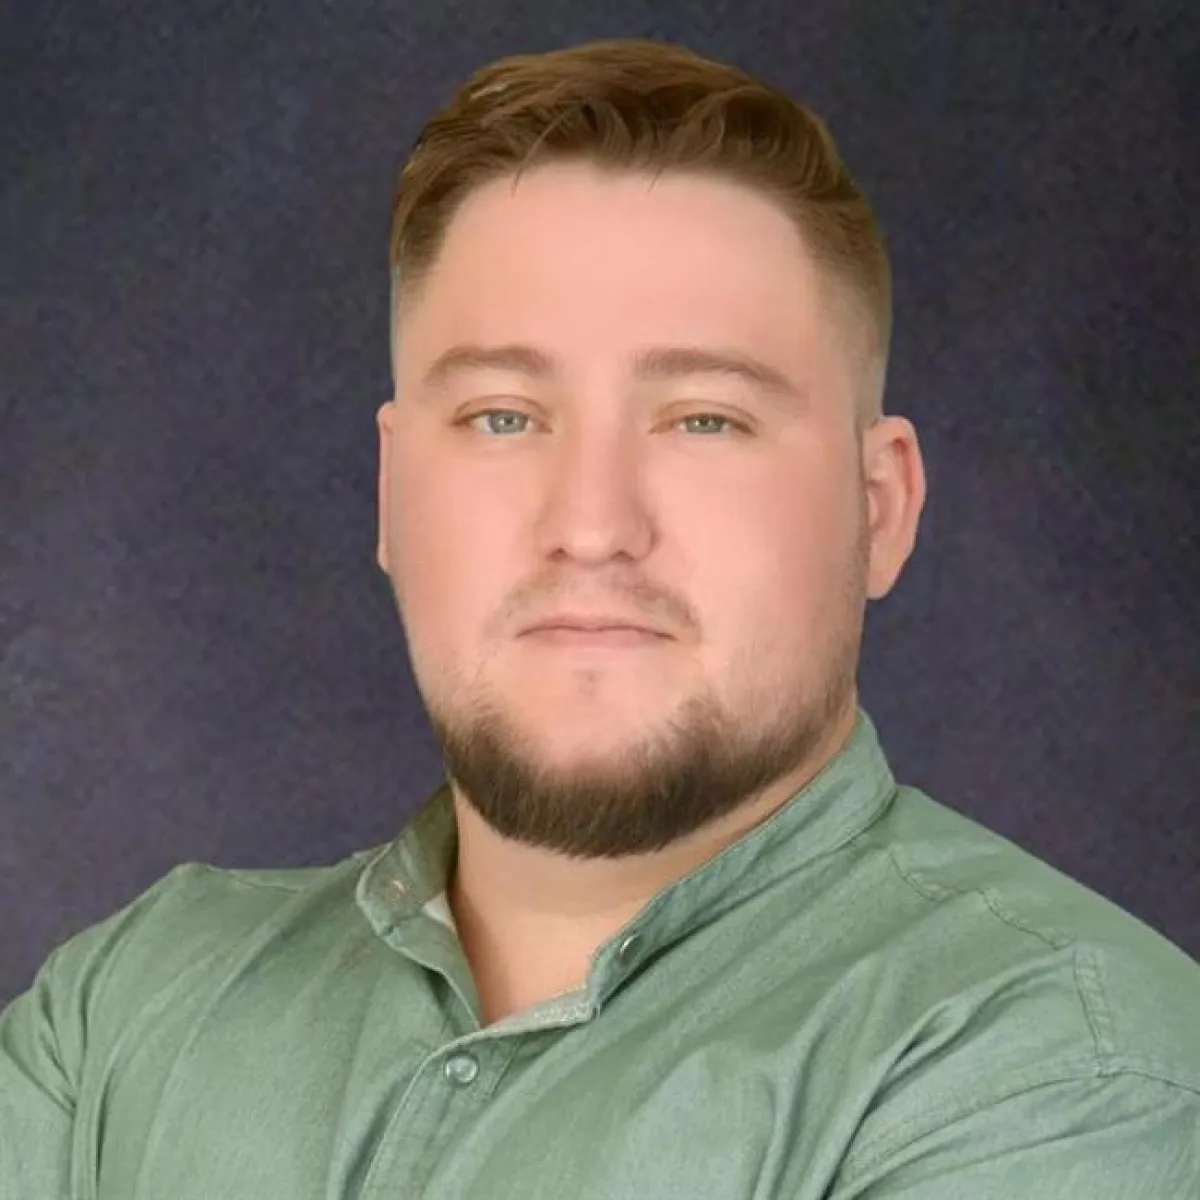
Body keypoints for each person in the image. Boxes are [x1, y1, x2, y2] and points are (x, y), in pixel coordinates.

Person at [2, 35, 1197, 1200]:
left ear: (878, 510)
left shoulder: (1070, 1073)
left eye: (705, 419)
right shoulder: (123, 1011)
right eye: (503, 417)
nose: (589, 524)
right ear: (392, 495)